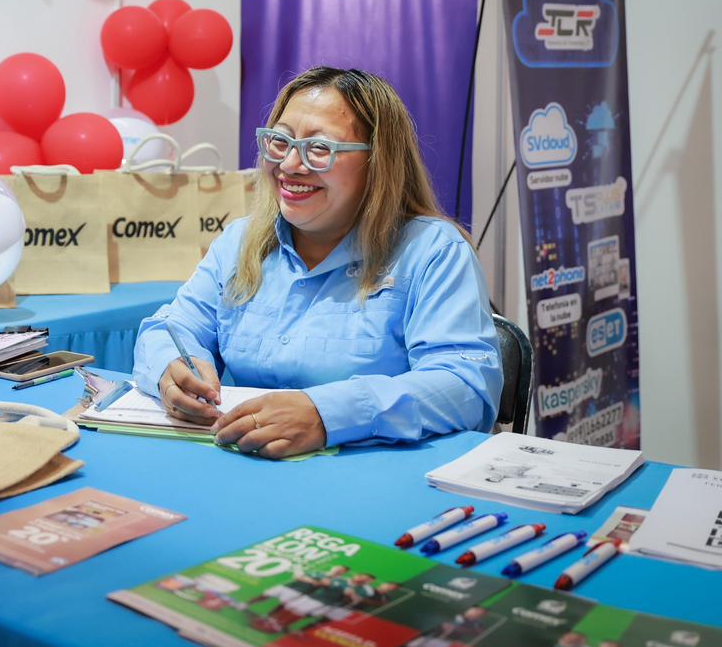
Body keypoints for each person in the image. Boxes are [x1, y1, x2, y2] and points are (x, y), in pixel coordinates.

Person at [134, 66, 502, 459]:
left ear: (378, 163)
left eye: (320, 148)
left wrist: (326, 415)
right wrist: (171, 368)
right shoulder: (241, 241)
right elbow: (170, 327)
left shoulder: (431, 251)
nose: (290, 165)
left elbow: (466, 387)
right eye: (279, 142)